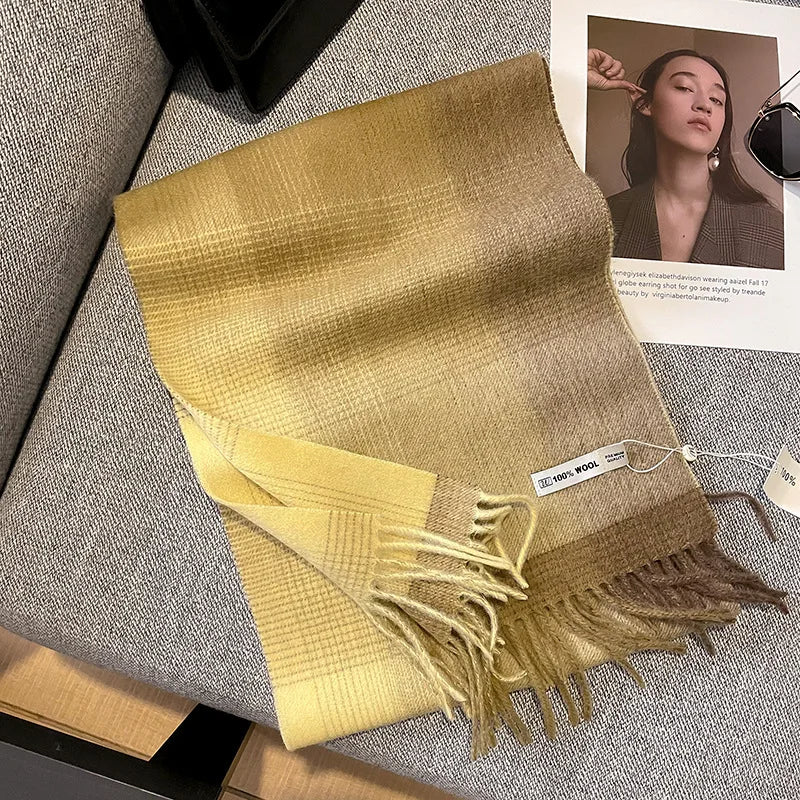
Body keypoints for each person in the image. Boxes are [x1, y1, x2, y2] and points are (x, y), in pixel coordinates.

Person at [588, 48, 783, 268]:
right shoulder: (603, 219)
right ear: (645, 103)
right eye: (684, 87)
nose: (704, 105)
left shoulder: (771, 228)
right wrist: (574, 71)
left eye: (716, 99)